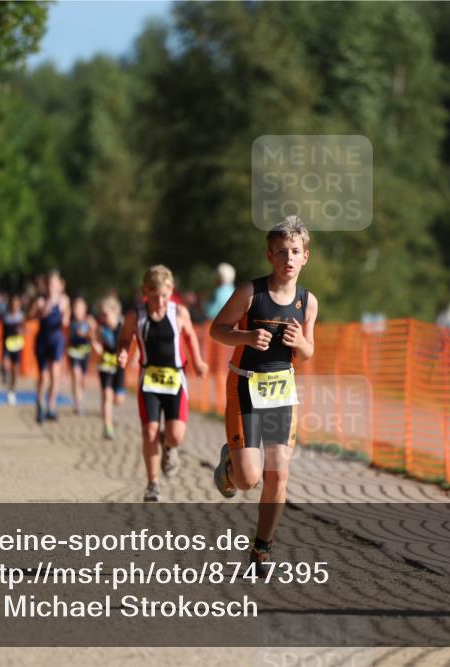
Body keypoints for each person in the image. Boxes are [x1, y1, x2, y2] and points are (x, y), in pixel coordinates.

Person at [209, 216, 317, 574]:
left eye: (295, 251)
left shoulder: (307, 302)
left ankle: (262, 548)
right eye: (282, 251)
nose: (289, 258)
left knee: (278, 474)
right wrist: (246, 337)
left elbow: (307, 352)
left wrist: (300, 343)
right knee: (248, 479)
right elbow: (217, 330)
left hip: (282, 392)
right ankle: (230, 465)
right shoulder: (250, 293)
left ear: (305, 257)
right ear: (270, 255)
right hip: (245, 385)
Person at [118, 265, 209, 502]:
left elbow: (190, 335)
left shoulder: (178, 312)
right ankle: (153, 484)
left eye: (164, 295)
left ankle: (169, 446)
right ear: (144, 291)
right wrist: (124, 352)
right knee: (149, 431)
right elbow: (125, 338)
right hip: (149, 380)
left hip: (175, 380)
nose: (159, 301)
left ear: (171, 291)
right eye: (154, 295)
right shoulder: (135, 315)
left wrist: (198, 362)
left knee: (176, 436)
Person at [29, 270, 71, 424]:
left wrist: (65, 317)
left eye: (53, 284)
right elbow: (29, 316)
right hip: (43, 339)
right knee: (44, 377)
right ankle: (40, 404)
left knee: (55, 374)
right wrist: (40, 313)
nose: (51, 287)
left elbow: (66, 320)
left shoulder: (64, 301)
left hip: (56, 339)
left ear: (60, 285)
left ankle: (51, 407)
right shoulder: (40, 301)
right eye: (48, 284)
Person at [93, 295, 126, 439]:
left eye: (105, 314)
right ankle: (108, 426)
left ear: (115, 312)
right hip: (105, 365)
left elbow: (132, 342)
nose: (103, 317)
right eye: (101, 314)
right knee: (107, 395)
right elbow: (98, 346)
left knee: (118, 400)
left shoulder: (123, 327)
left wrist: (132, 358)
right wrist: (95, 346)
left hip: (119, 366)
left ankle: (107, 408)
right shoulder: (101, 329)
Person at [67, 296, 97, 416]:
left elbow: (94, 335)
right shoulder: (70, 321)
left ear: (85, 309)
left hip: (85, 352)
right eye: (75, 307)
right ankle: (77, 403)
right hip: (73, 352)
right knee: (76, 376)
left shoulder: (88, 320)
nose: (77, 310)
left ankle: (81, 397)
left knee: (82, 380)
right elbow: (68, 335)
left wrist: (88, 332)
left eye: (79, 308)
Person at [0, 294, 26, 406]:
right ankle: (4, 373)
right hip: (6, 345)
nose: (14, 306)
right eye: (13, 304)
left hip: (17, 346)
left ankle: (12, 391)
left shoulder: (21, 316)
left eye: (16, 304)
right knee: (6, 365)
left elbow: (25, 329)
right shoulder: (5, 315)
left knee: (15, 371)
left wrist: (22, 332)